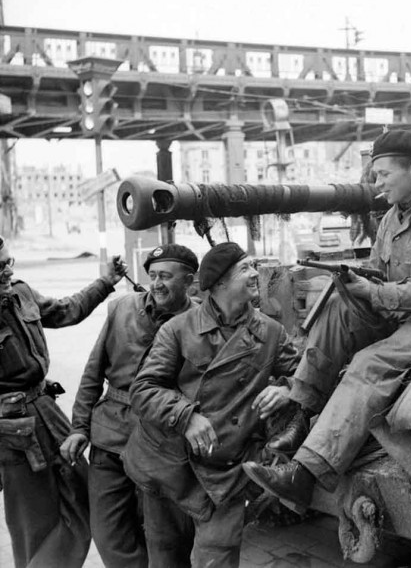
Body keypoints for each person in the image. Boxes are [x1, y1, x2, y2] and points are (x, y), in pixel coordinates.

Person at [243, 129, 411, 514]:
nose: (376, 184)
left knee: (370, 362)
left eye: (383, 175)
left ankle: (303, 476)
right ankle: (301, 412)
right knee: (337, 304)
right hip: (396, 311)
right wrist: (356, 283)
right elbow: (379, 271)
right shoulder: (392, 218)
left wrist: (376, 294)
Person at [124, 242, 299, 568]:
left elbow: (306, 374)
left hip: (227, 467)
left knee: (216, 560)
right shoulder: (177, 329)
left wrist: (289, 388)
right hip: (169, 461)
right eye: (245, 269)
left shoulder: (271, 333)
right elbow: (143, 389)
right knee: (165, 556)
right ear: (219, 283)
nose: (254, 274)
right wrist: (186, 417)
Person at [60, 244, 200, 568]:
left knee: (168, 538)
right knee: (108, 533)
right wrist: (79, 428)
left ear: (189, 280)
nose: (157, 283)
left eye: (166, 276)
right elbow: (93, 373)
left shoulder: (199, 322)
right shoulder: (122, 308)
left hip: (163, 442)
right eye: (152, 276)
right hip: (111, 433)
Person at [0, 235, 125, 568]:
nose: (6, 274)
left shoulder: (20, 293)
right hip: (12, 431)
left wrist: (105, 283)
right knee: (33, 520)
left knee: (82, 494)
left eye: (8, 263)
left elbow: (65, 311)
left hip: (46, 411)